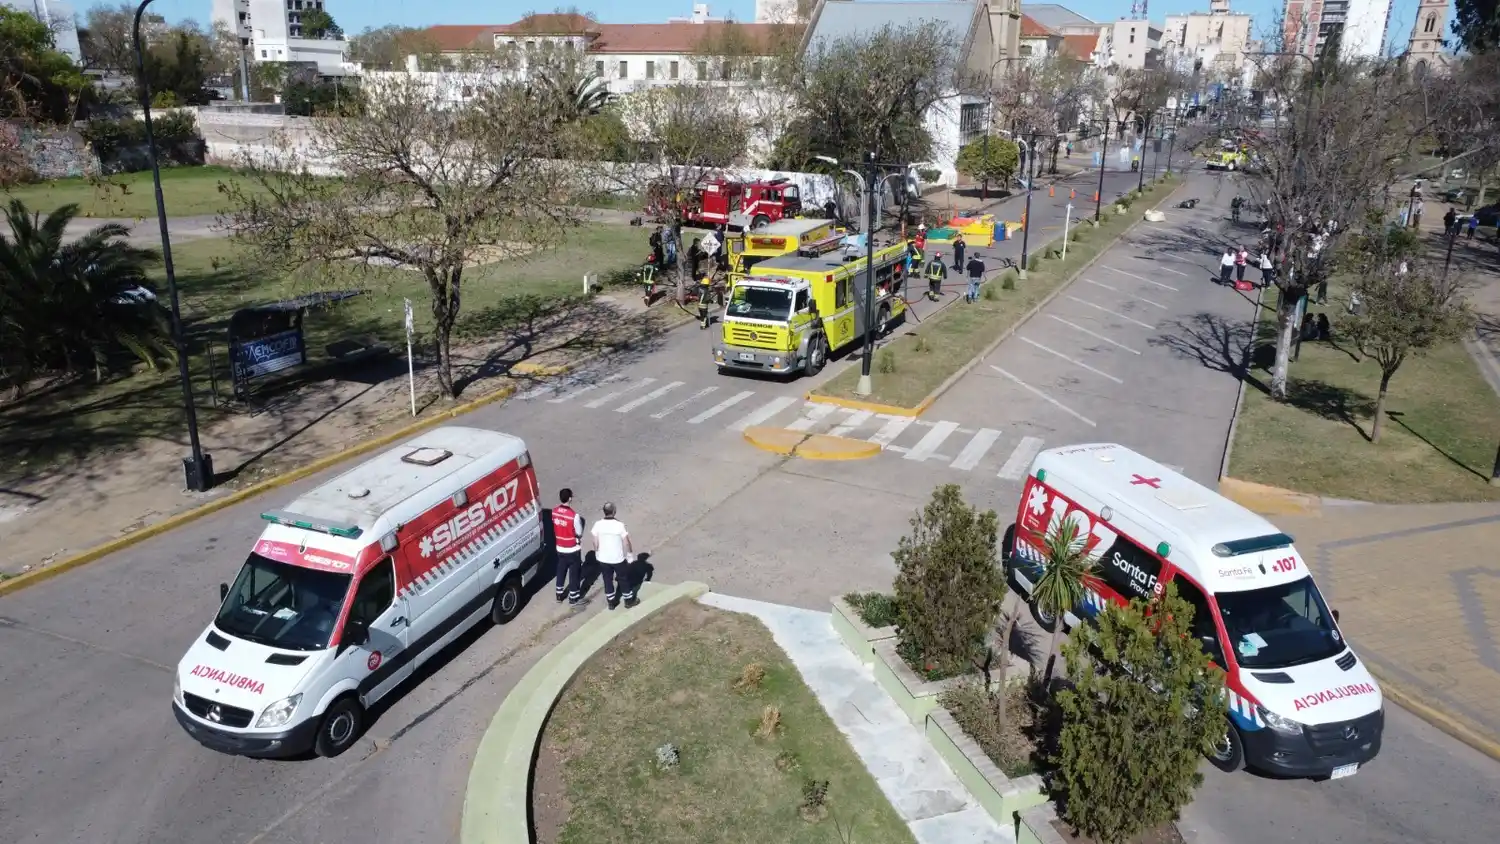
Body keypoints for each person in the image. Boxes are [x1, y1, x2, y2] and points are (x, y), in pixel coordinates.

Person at [590, 502, 635, 610]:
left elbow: (595, 541)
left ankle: (611, 602)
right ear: (614, 512)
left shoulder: (598, 524)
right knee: (622, 579)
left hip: (603, 559)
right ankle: (628, 601)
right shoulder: (619, 525)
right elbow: (626, 542)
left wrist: (597, 552)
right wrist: (629, 555)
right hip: (617, 559)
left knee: (607, 580)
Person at [552, 489, 584, 606]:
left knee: (561, 570)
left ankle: (559, 594)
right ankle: (573, 597)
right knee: (574, 573)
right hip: (572, 549)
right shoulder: (574, 516)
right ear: (570, 498)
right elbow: (579, 533)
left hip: (560, 547)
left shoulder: (554, 512)